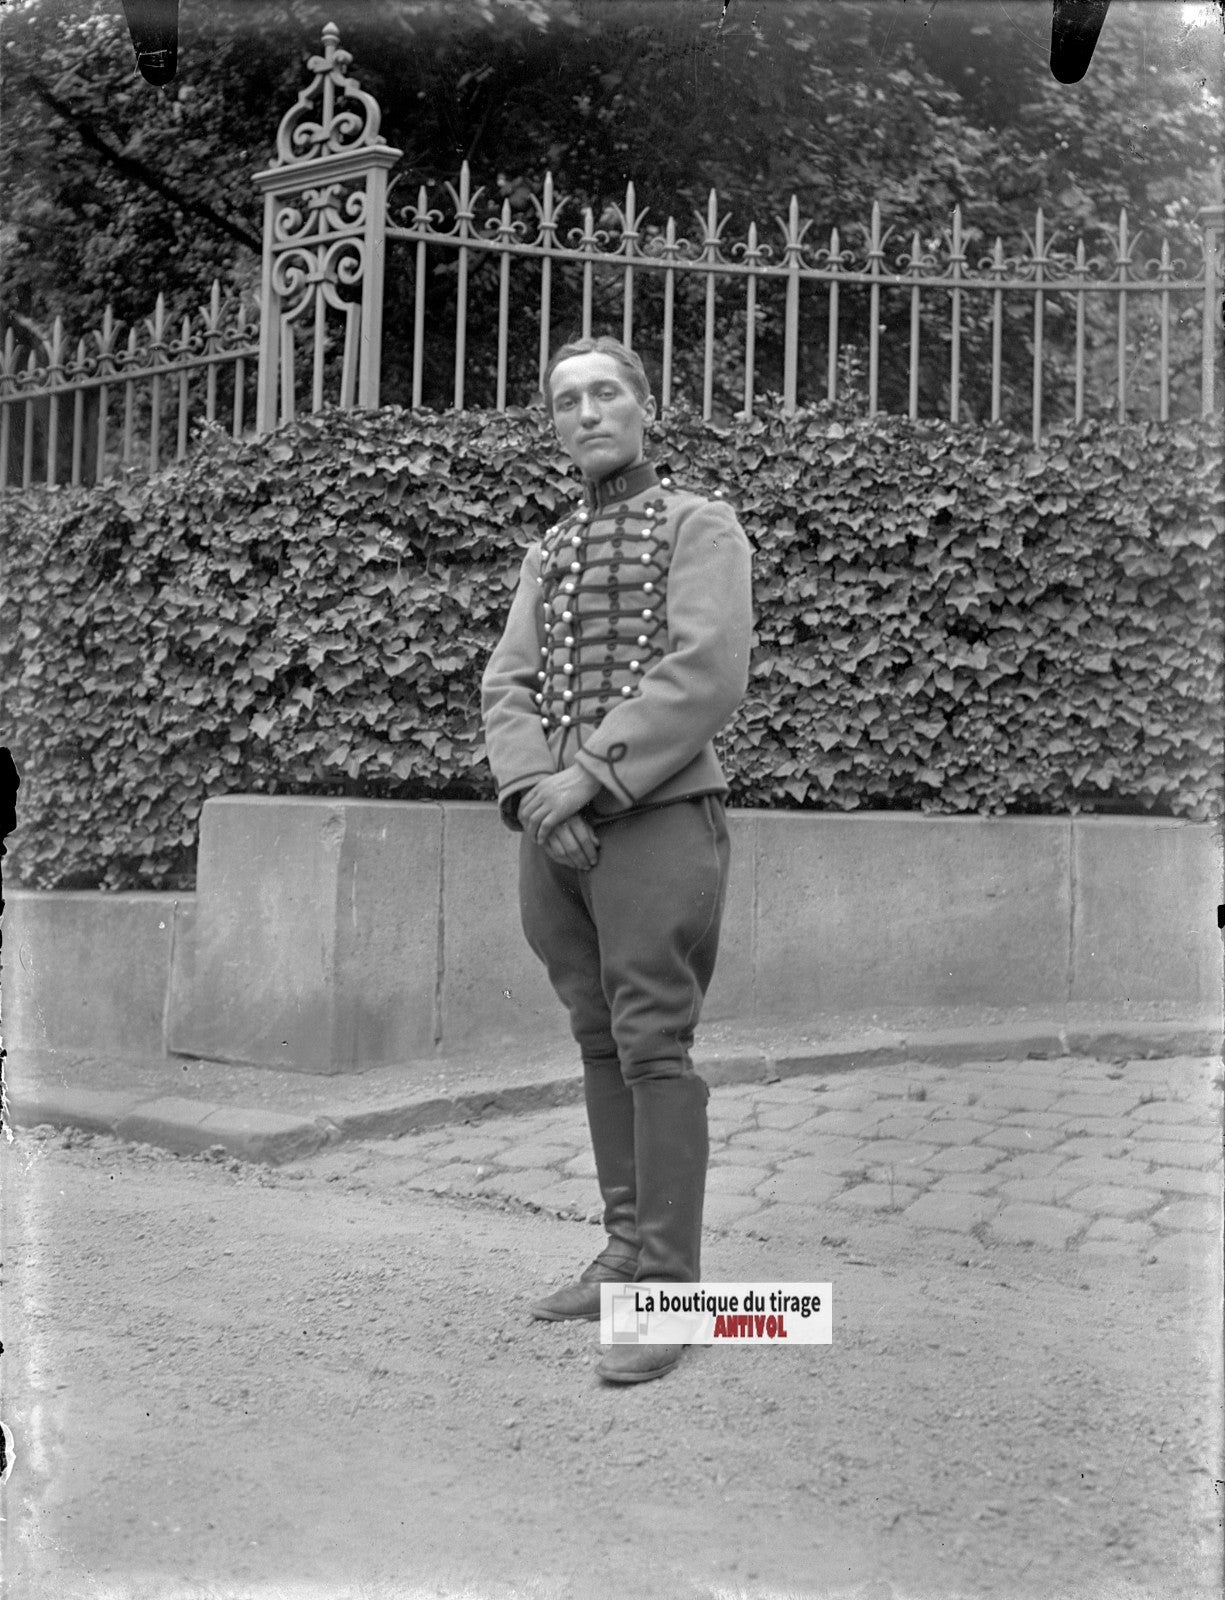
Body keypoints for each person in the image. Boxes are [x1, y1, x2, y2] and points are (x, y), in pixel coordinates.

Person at [481, 336, 753, 1384]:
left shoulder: (698, 523)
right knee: (596, 1036)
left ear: (644, 408)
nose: (586, 413)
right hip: (555, 830)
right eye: (566, 402)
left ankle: (668, 1295)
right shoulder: (546, 551)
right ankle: (624, 1254)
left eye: (605, 394)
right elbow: (507, 682)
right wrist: (532, 794)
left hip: (656, 816)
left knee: (651, 1043)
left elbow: (706, 669)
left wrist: (587, 778)